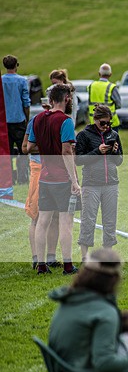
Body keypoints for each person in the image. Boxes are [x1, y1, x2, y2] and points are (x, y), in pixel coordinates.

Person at [26, 83, 80, 275]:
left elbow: (29, 147)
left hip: (44, 177)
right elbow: (66, 151)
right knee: (66, 222)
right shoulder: (65, 121)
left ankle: (41, 265)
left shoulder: (37, 119)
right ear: (66, 98)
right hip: (62, 180)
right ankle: (67, 265)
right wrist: (74, 181)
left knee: (43, 221)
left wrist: (47, 147)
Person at [75, 104, 123, 261]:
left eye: (108, 123)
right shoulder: (83, 135)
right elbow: (78, 160)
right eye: (103, 123)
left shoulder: (114, 134)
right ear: (94, 120)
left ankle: (107, 255)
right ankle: (84, 256)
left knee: (110, 221)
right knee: (88, 220)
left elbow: (119, 161)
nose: (106, 126)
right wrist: (98, 151)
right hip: (91, 185)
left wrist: (114, 151)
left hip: (111, 184)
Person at [22, 113, 60, 269]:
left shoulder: (64, 120)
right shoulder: (36, 120)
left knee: (56, 216)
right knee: (37, 216)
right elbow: (25, 147)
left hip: (58, 171)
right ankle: (37, 258)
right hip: (39, 169)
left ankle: (51, 257)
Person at [2, 54, 30, 184]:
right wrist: (27, 117)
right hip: (18, 120)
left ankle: (9, 177)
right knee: (23, 150)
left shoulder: (2, 80)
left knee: (6, 151)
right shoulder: (21, 80)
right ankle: (23, 177)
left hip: (4, 122)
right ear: (16, 65)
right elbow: (26, 102)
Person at [87, 63, 122, 130]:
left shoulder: (91, 86)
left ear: (99, 73)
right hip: (110, 123)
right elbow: (119, 105)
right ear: (110, 74)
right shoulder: (112, 87)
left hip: (94, 122)